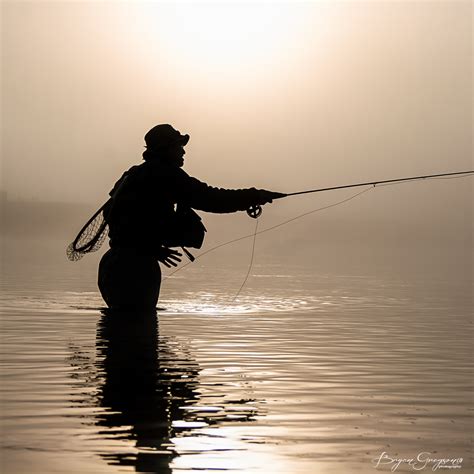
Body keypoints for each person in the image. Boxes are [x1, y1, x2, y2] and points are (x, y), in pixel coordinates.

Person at [98, 124, 283, 311]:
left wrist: (151, 249)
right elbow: (211, 199)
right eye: (179, 145)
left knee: (120, 331)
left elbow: (115, 216)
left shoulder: (132, 174)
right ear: (167, 149)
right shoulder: (167, 175)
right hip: (136, 270)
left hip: (111, 266)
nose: (183, 151)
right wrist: (254, 196)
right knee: (139, 332)